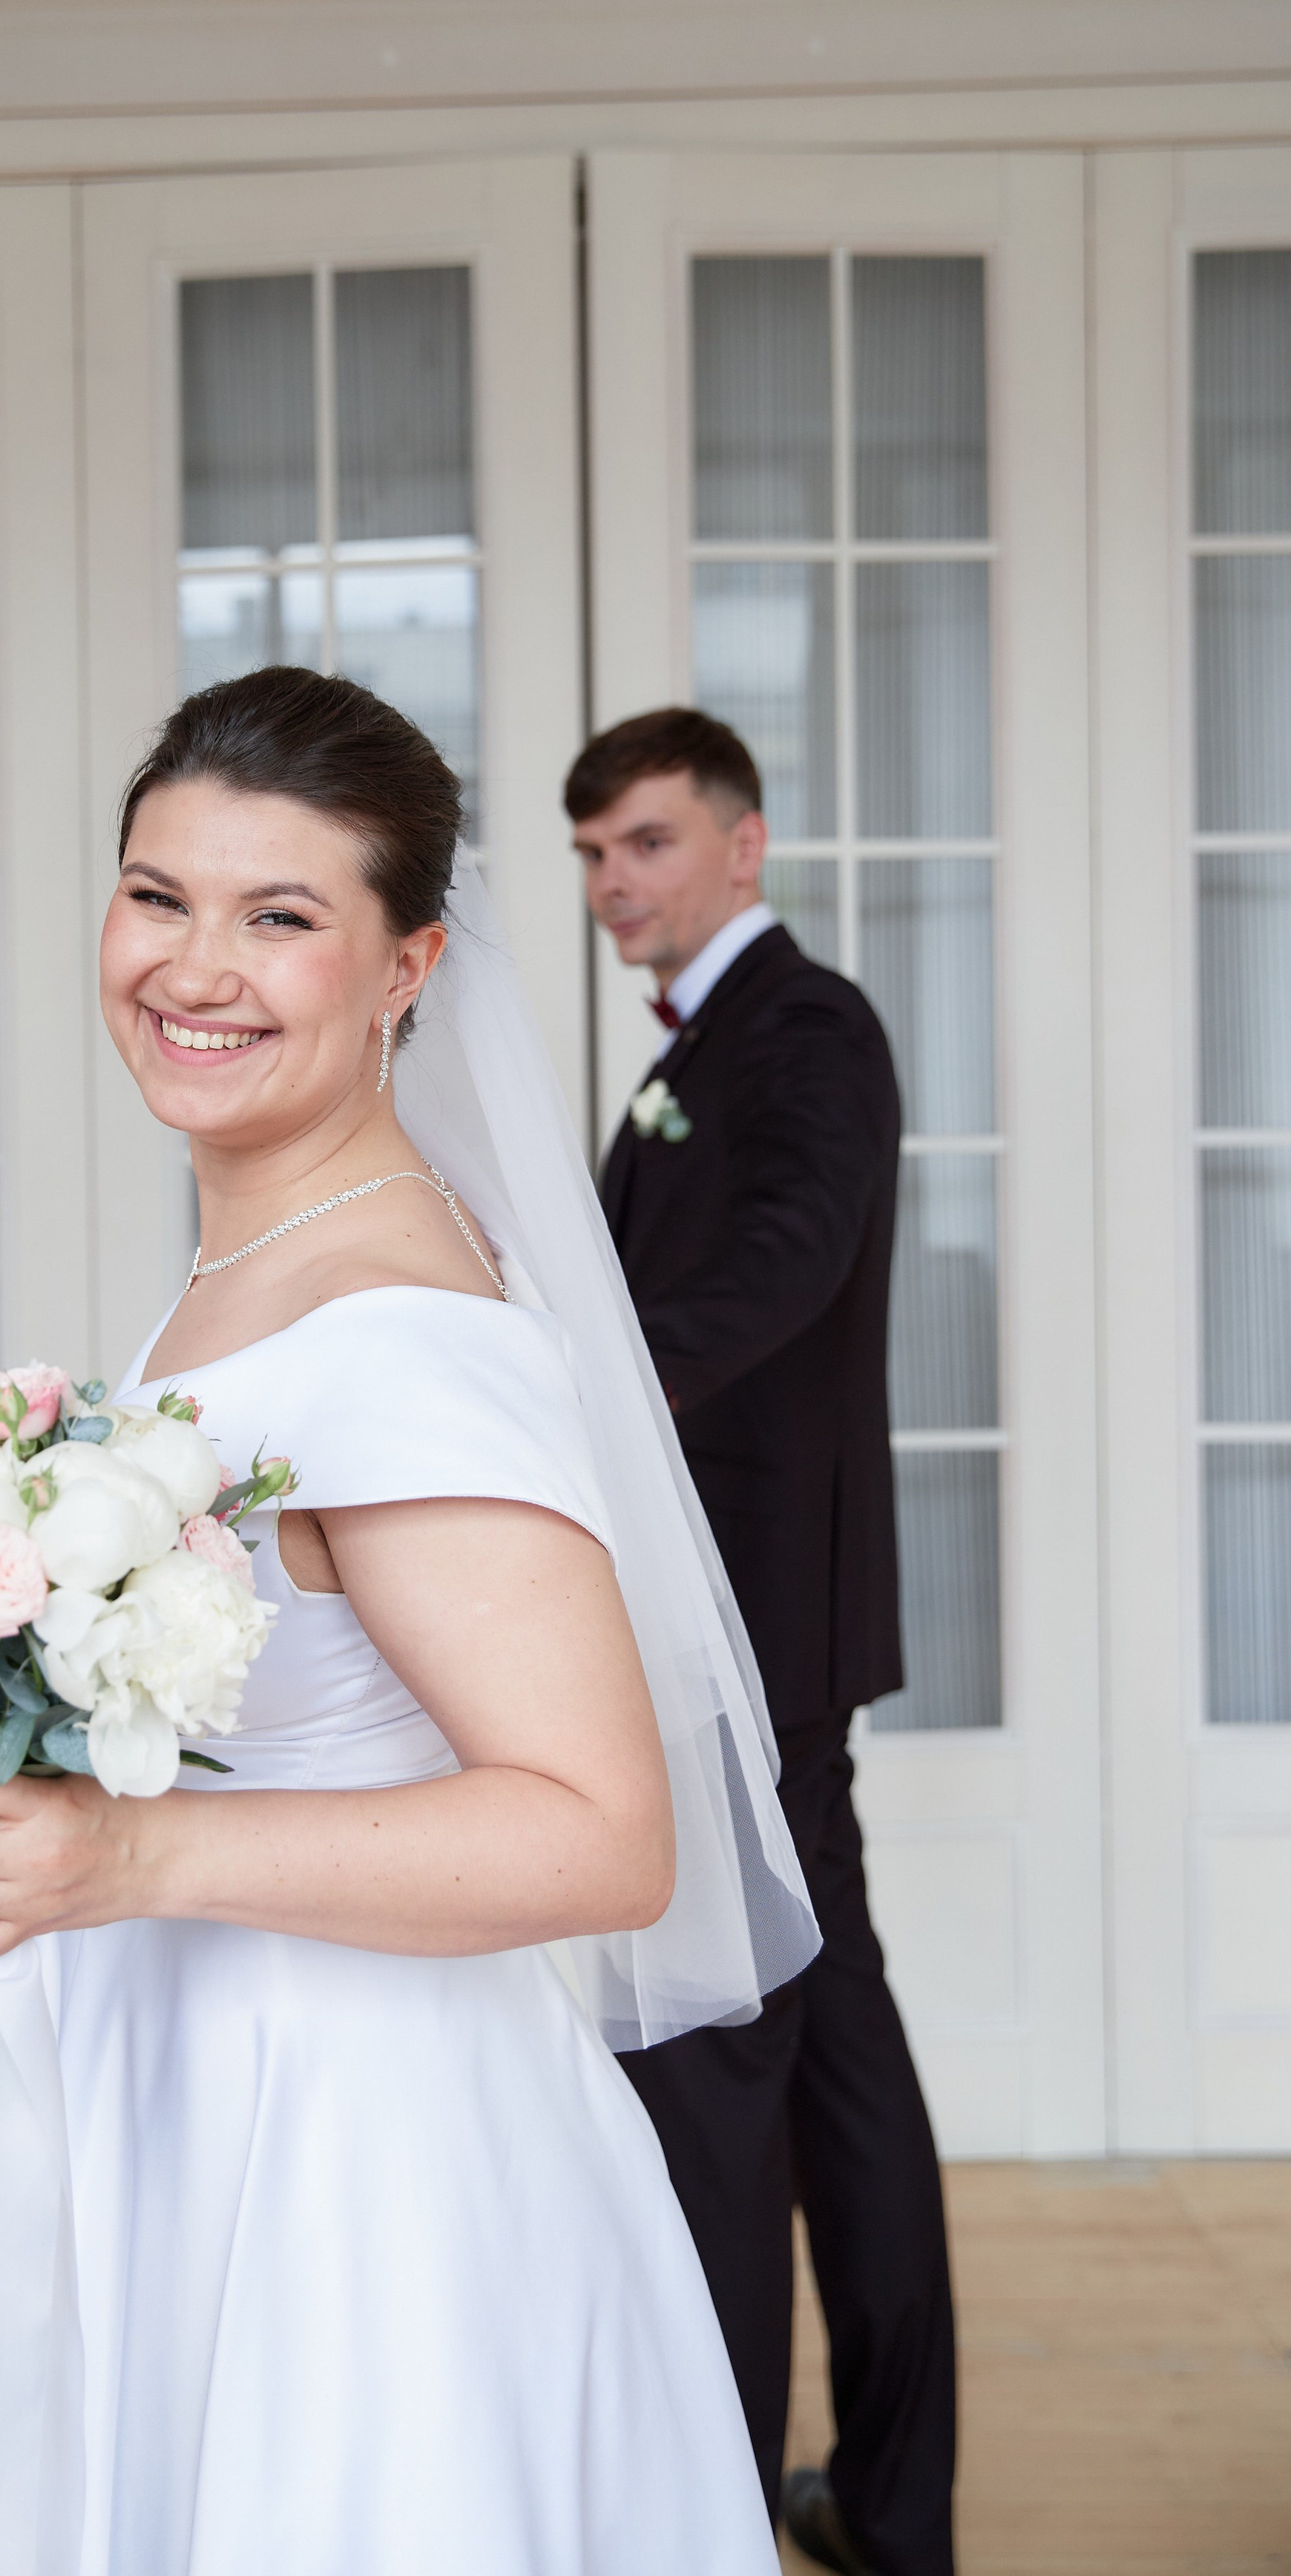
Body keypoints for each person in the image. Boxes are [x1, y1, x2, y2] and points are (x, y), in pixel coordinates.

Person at [0, 668, 818, 2576]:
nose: (193, 967)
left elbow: (597, 1833)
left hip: (352, 2173)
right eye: (157, 895)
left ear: (407, 967)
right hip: (218, 2105)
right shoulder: (262, 1250)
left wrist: (130, 1854)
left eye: (279, 917)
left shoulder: (396, 1327)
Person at [565, 704, 957, 2576]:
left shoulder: (804, 1027)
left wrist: (578, 1392)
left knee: (721, 2067)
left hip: (748, 1636)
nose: (608, 881)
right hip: (746, 1623)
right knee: (829, 2065)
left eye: (643, 841)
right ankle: (883, 2510)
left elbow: (789, 1253)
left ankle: (709, 2511)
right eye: (589, 852)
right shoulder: (701, 1048)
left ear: (744, 842)